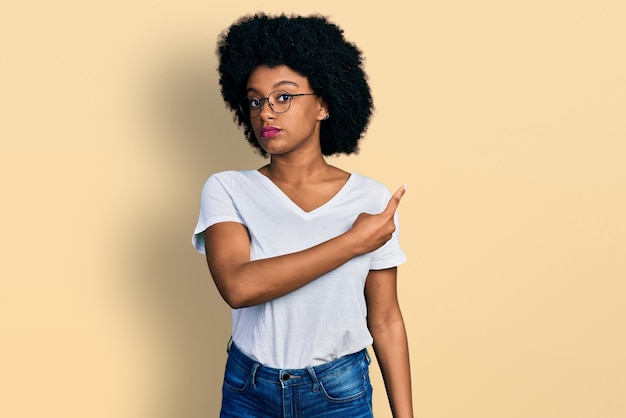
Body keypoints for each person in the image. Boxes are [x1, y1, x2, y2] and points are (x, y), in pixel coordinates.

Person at [192, 12, 413, 418]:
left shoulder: (369, 198)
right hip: (249, 390)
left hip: (338, 391)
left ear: (324, 104)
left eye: (284, 96)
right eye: (255, 100)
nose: (265, 112)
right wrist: (352, 243)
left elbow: (384, 319)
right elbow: (240, 287)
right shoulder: (228, 189)